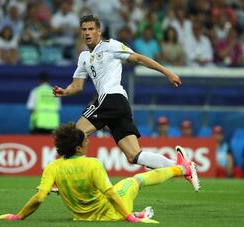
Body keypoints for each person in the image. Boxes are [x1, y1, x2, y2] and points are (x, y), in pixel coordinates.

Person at [52, 15, 199, 191]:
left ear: (99, 31)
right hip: (118, 106)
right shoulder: (83, 57)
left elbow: (138, 58)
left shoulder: (111, 46)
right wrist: (65, 91)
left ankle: (58, 180)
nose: (87, 32)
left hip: (112, 98)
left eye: (91, 29)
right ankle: (183, 167)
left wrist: (167, 72)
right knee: (134, 155)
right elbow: (77, 86)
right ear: (80, 32)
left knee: (74, 134)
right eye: (84, 29)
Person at [0, 123, 198, 223]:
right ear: (77, 148)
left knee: (118, 188)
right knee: (135, 180)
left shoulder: (52, 167)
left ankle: (138, 212)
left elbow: (40, 197)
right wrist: (130, 218)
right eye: (85, 140)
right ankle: (183, 168)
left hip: (82, 218)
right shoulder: (93, 164)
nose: (89, 141)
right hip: (109, 213)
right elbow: (110, 194)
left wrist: (18, 217)